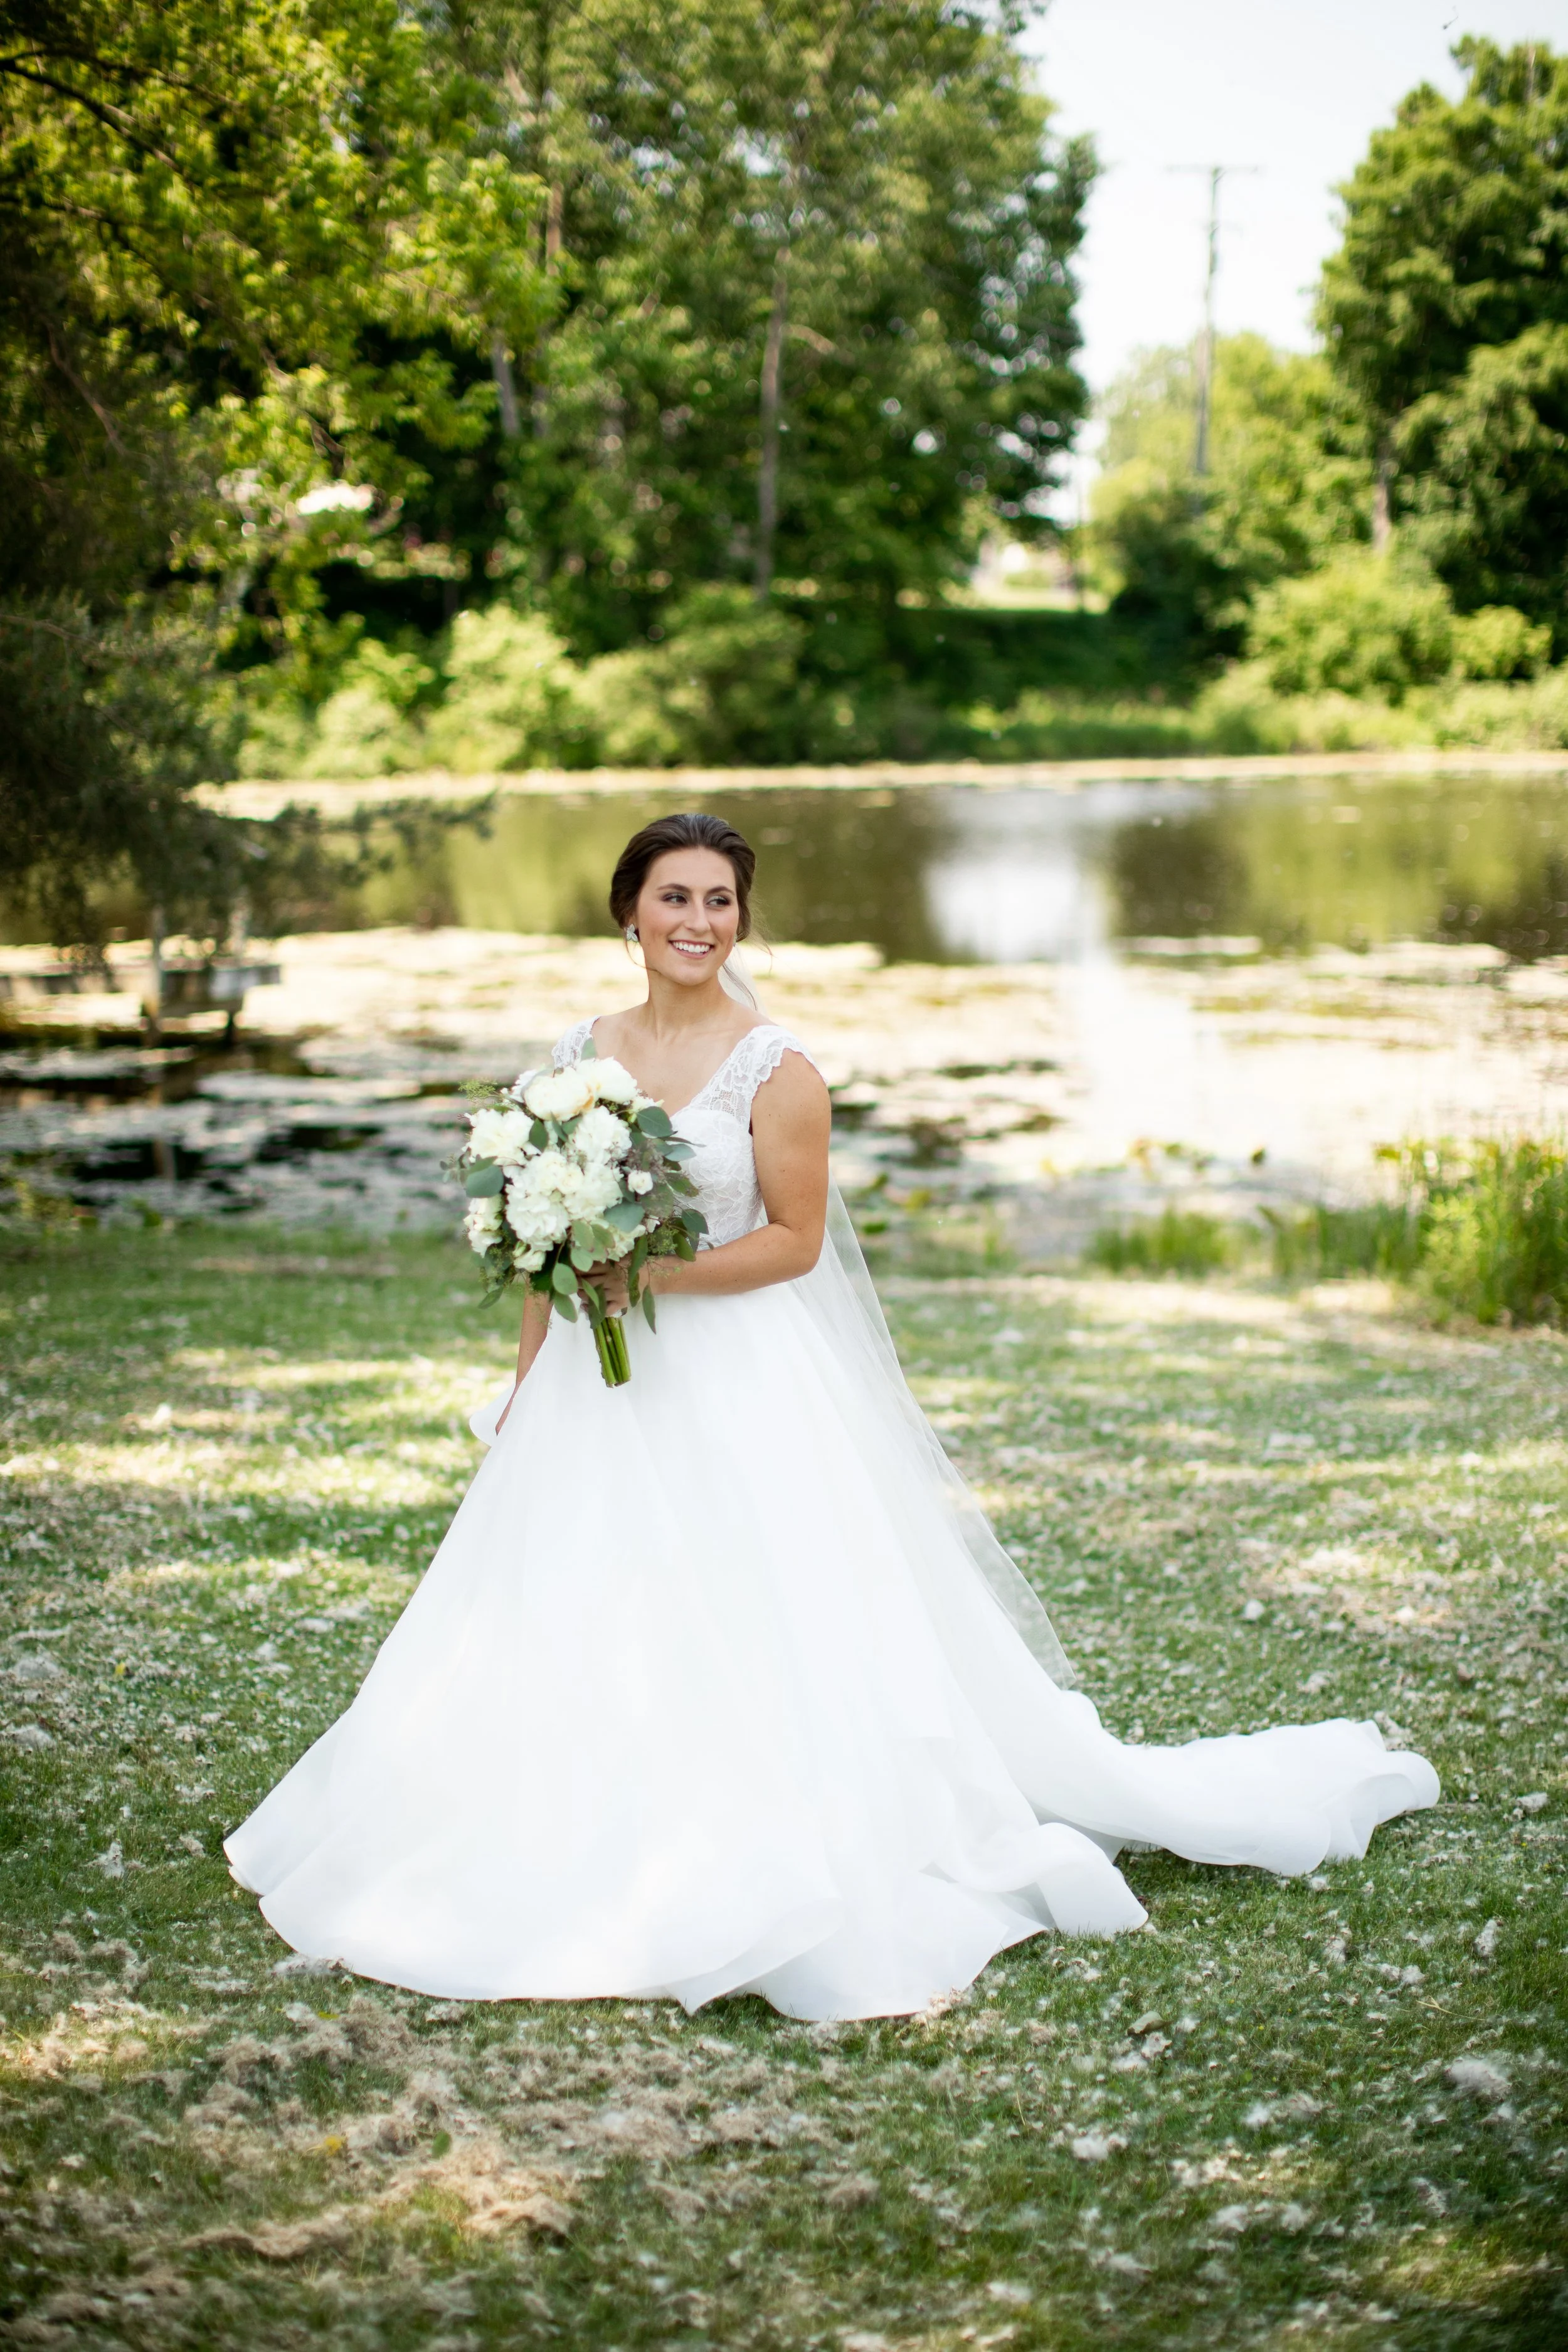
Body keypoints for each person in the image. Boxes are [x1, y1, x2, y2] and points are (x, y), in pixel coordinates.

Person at [226, 811, 1438, 2021]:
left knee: (751, 1604)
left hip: (735, 1375)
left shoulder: (778, 1066)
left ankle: (769, 1839)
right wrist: (527, 1378)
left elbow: (794, 1245)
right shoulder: (575, 1056)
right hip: (593, 1394)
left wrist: (648, 1279)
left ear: (739, 919)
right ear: (627, 913)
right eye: (675, 898)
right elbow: (548, 1246)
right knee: (573, 1591)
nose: (698, 922)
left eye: (719, 901)